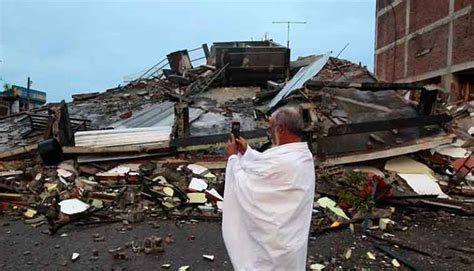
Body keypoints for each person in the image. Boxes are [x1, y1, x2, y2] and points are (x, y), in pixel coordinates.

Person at [222, 106, 316, 271]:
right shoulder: (301, 155)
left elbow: (248, 189)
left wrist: (232, 159)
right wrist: (247, 152)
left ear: (281, 129)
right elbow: (266, 166)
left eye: (270, 128)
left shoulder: (285, 161)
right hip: (290, 241)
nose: (269, 132)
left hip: (273, 245)